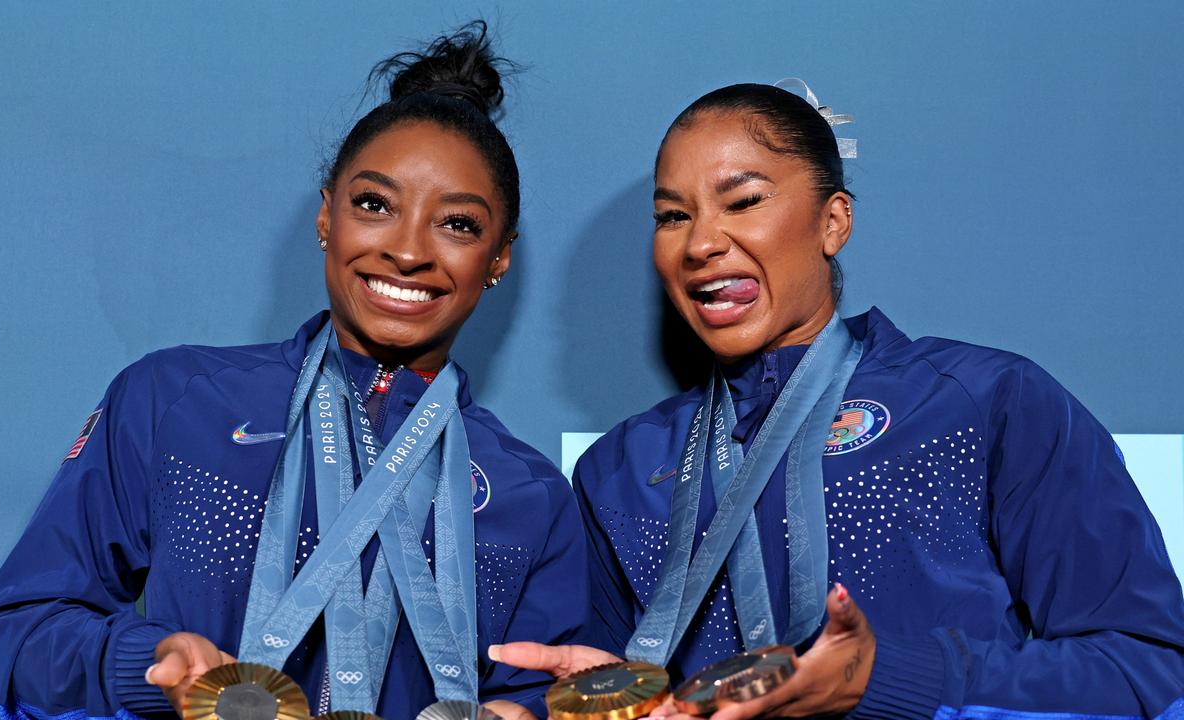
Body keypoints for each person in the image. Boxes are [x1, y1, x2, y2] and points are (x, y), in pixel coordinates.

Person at [492, 82, 1184, 719]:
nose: (701, 241)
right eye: (673, 216)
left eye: (743, 201)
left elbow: (1149, 670)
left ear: (833, 222)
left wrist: (882, 679)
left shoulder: (982, 401)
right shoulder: (622, 468)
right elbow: (617, 686)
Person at [0, 23, 585, 720]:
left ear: (499, 258)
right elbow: (18, 638)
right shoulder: (176, 401)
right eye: (375, 205)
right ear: (327, 216)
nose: (410, 252)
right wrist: (148, 664)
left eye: (458, 225)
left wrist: (528, 716)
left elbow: (540, 691)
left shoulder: (531, 496)